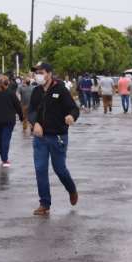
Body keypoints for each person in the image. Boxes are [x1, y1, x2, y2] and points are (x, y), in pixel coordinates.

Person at [28, 62, 80, 216]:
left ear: (49, 73)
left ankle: (71, 189)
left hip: (58, 137)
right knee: (40, 169)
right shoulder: (36, 91)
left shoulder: (61, 89)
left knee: (60, 169)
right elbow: (31, 111)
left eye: (41, 72)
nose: (38, 75)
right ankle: (44, 203)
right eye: (36, 72)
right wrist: (35, 122)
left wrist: (71, 116)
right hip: (40, 138)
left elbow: (73, 108)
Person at [0, 75, 24, 167]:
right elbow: (18, 106)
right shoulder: (11, 93)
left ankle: (3, 157)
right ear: (7, 83)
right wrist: (21, 117)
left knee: (0, 138)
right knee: (5, 139)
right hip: (8, 120)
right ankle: (4, 159)